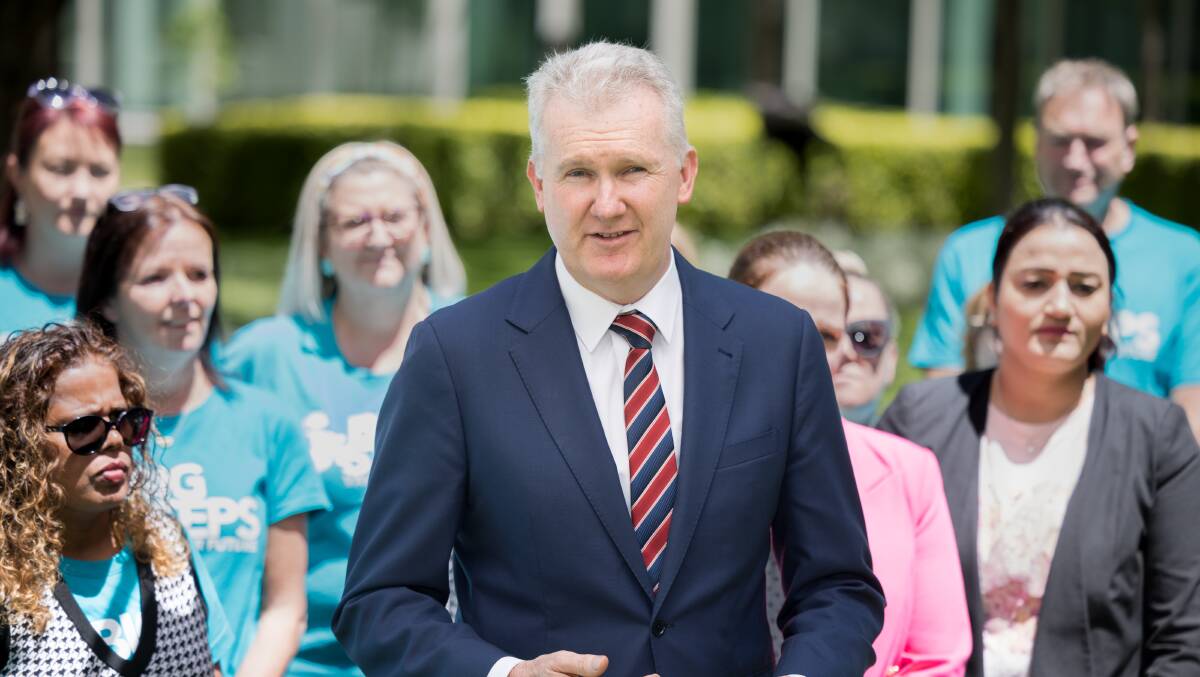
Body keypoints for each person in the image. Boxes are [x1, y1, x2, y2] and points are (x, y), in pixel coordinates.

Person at [333, 41, 884, 677]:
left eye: (632, 170)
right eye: (577, 174)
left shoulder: (777, 343)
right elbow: (380, 602)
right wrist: (506, 675)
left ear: (685, 173)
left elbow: (839, 587)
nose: (607, 203)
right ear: (538, 184)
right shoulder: (455, 355)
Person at [880, 199, 1200, 675]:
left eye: (1084, 287)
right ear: (991, 299)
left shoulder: (1158, 438)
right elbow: (865, 588)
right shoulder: (919, 420)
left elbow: (1181, 638)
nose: (1060, 305)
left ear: (1110, 304)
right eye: (1035, 283)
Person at [221, 140, 466, 676]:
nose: (379, 236)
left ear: (426, 230)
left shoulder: (477, 341)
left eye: (395, 216)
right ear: (321, 246)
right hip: (301, 660)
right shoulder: (268, 354)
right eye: (354, 221)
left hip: (439, 656)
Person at [75, 186, 330, 675]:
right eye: (155, 277)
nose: (185, 295)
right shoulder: (74, 432)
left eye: (199, 274)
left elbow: (284, 608)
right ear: (107, 298)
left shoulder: (268, 424)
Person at [908, 58, 1200, 440]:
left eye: (1094, 143)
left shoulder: (1184, 258)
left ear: (1129, 147)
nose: (1076, 160)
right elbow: (943, 402)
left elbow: (1192, 413)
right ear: (1036, 142)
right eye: (1060, 140)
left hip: (1137, 482)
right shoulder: (971, 251)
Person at [731, 231, 971, 677]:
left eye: (824, 335)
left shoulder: (907, 470)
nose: (801, 348)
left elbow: (937, 661)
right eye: (783, 324)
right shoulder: (666, 454)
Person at [0, 321, 233, 674]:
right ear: (21, 444)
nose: (113, 441)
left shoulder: (170, 546)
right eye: (83, 427)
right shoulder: (8, 588)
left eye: (126, 421)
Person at [0, 78, 121, 338]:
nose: (81, 191)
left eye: (99, 172)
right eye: (60, 168)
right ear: (16, 174)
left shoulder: (143, 293)